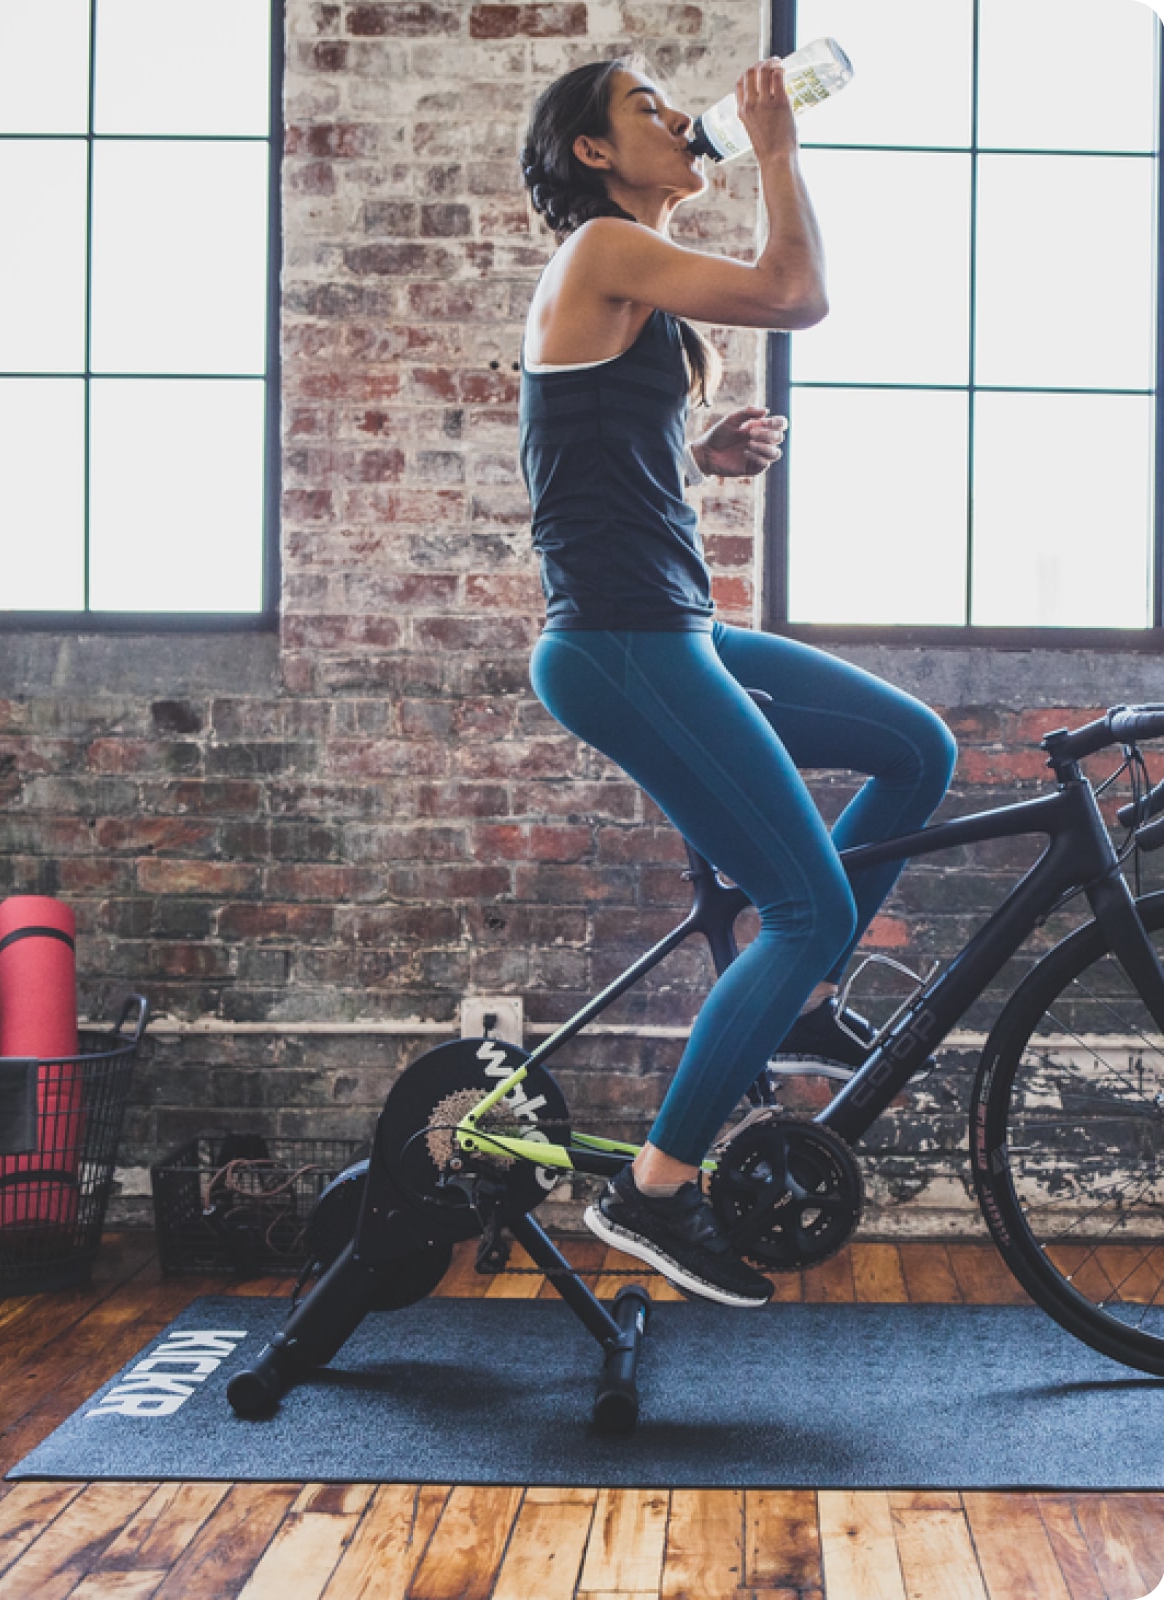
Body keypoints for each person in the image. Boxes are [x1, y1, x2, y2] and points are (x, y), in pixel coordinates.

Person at [517, 56, 957, 1307]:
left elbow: (584, 445)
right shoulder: (603, 248)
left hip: (675, 629)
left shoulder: (628, 284)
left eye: (676, 101)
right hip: (619, 646)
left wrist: (695, 449)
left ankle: (798, 1000)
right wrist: (773, 144)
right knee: (808, 900)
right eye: (645, 105)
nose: (675, 116)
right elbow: (795, 294)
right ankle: (649, 1192)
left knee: (916, 750)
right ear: (596, 152)